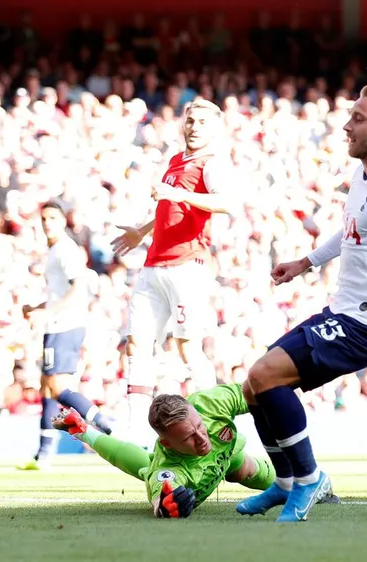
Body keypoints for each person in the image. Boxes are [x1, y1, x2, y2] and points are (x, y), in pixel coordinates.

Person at [236, 83, 367, 522]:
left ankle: (310, 480)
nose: (347, 125)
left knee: (266, 375)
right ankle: (286, 482)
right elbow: (353, 230)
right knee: (252, 387)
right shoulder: (362, 177)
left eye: (358, 118)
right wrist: (305, 263)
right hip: (344, 312)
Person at [110, 99, 236, 449]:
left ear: (214, 128)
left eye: (201, 122)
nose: (194, 126)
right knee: (137, 342)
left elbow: (227, 202)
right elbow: (171, 205)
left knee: (186, 347)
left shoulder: (213, 163)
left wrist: (176, 192)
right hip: (154, 262)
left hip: (187, 265)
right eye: (190, 120)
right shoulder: (176, 161)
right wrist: (142, 230)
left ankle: (214, 421)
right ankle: (136, 431)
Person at [53, 384, 337, 518]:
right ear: (168, 444)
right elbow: (162, 494)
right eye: (189, 438)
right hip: (184, 469)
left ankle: (305, 485)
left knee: (246, 470)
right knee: (147, 468)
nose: (202, 439)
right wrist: (166, 504)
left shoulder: (212, 403)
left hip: (230, 454)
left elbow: (261, 389)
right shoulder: (169, 468)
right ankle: (81, 431)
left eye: (200, 426)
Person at [17, 201, 114, 470]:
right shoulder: (54, 250)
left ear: (62, 221)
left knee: (58, 388)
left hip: (65, 325)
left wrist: (47, 313)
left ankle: (103, 422)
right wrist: (37, 308)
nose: (47, 222)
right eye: (44, 218)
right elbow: (60, 293)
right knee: (47, 387)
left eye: (52, 217)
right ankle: (44, 454)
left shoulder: (64, 249)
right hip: (57, 323)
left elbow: (78, 289)